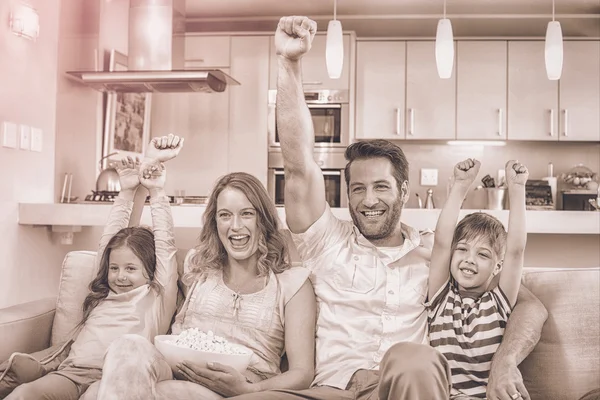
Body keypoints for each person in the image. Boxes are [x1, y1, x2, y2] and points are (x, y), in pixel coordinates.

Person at [229, 15, 548, 400]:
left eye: (381, 186)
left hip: (405, 385)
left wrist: (504, 361)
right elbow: (297, 166)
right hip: (335, 389)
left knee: (415, 359)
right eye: (358, 189)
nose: (368, 200)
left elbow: (527, 303)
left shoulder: (439, 253)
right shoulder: (326, 241)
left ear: (404, 190)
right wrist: (288, 63)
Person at [89, 172, 317, 399]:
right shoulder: (197, 266)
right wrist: (141, 191)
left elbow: (302, 372)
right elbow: (123, 250)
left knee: (117, 393)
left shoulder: (292, 283)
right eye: (225, 215)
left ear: (264, 219)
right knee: (128, 345)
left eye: (247, 214)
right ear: (214, 221)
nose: (235, 226)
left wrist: (249, 389)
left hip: (239, 388)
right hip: (172, 370)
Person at [5, 134, 183, 400]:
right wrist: (126, 191)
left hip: (112, 379)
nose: (120, 276)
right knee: (24, 393)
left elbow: (165, 244)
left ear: (151, 269)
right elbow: (110, 236)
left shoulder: (157, 294)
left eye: (131, 269)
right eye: (114, 268)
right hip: (70, 373)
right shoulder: (103, 293)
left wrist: (156, 191)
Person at [427, 159, 530, 399]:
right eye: (462, 249)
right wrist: (460, 186)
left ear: (498, 267)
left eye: (482, 254)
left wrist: (517, 189)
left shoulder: (498, 303)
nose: (469, 259)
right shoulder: (441, 298)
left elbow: (516, 250)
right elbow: (442, 242)